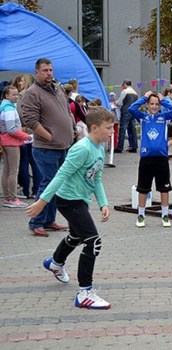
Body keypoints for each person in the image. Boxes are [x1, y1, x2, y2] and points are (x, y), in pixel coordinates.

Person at [26, 107, 115, 309]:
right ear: (94, 127)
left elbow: (97, 178)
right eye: (108, 128)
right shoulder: (82, 148)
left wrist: (103, 203)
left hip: (81, 199)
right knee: (93, 242)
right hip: (68, 200)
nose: (111, 132)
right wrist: (42, 201)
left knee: (76, 236)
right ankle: (85, 293)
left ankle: (55, 263)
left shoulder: (99, 148)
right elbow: (61, 175)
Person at [21, 57, 74, 237]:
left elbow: (67, 110)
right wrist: (49, 136)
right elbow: (29, 120)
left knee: (57, 185)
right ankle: (36, 222)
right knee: (48, 184)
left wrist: (71, 129)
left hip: (63, 147)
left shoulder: (57, 88)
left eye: (50, 70)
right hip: (46, 148)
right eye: (45, 70)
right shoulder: (32, 92)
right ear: (37, 72)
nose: (49, 73)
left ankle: (49, 220)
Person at [129, 91, 172, 228]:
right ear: (147, 105)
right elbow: (131, 109)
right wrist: (143, 97)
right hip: (146, 159)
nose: (154, 106)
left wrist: (164, 101)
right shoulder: (143, 118)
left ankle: (165, 215)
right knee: (143, 188)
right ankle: (141, 215)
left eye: (156, 104)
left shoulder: (164, 118)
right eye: (151, 104)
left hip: (162, 159)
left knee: (164, 189)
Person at [0, 85, 32, 208]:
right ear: (7, 96)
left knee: (7, 171)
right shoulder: (9, 109)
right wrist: (27, 136)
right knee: (13, 171)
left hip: (5, 141)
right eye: (14, 94)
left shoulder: (3, 107)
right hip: (11, 142)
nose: (16, 97)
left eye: (17, 94)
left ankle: (8, 197)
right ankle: (13, 198)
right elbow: (12, 129)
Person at [14, 73, 41, 200]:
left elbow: (20, 113)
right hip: (36, 132)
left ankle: (25, 190)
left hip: (24, 132)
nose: (20, 83)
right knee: (35, 163)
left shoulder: (21, 96)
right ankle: (37, 190)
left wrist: (24, 125)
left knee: (23, 162)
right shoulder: (38, 94)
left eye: (22, 81)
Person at [115, 80, 138, 153]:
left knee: (123, 128)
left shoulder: (124, 92)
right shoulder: (135, 93)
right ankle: (134, 146)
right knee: (133, 129)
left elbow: (120, 102)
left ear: (125, 84)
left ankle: (119, 147)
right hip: (133, 112)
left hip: (126, 111)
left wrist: (115, 102)